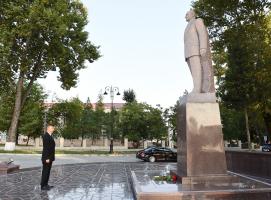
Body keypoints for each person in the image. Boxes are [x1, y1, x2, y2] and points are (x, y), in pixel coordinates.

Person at [184, 9, 215, 93]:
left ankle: (197, 89)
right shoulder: (188, 26)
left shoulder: (197, 21)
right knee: (194, 72)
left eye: (187, 14)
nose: (185, 16)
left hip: (196, 51)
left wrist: (203, 47)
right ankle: (197, 88)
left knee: (198, 70)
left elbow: (202, 34)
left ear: (193, 14)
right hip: (189, 52)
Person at [40, 123, 56, 190]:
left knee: (48, 171)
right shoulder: (46, 136)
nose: (53, 129)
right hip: (47, 158)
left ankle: (46, 184)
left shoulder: (50, 136)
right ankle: (43, 186)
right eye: (52, 128)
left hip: (50, 157)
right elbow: (46, 148)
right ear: (48, 128)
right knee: (45, 171)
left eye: (53, 128)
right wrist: (47, 158)